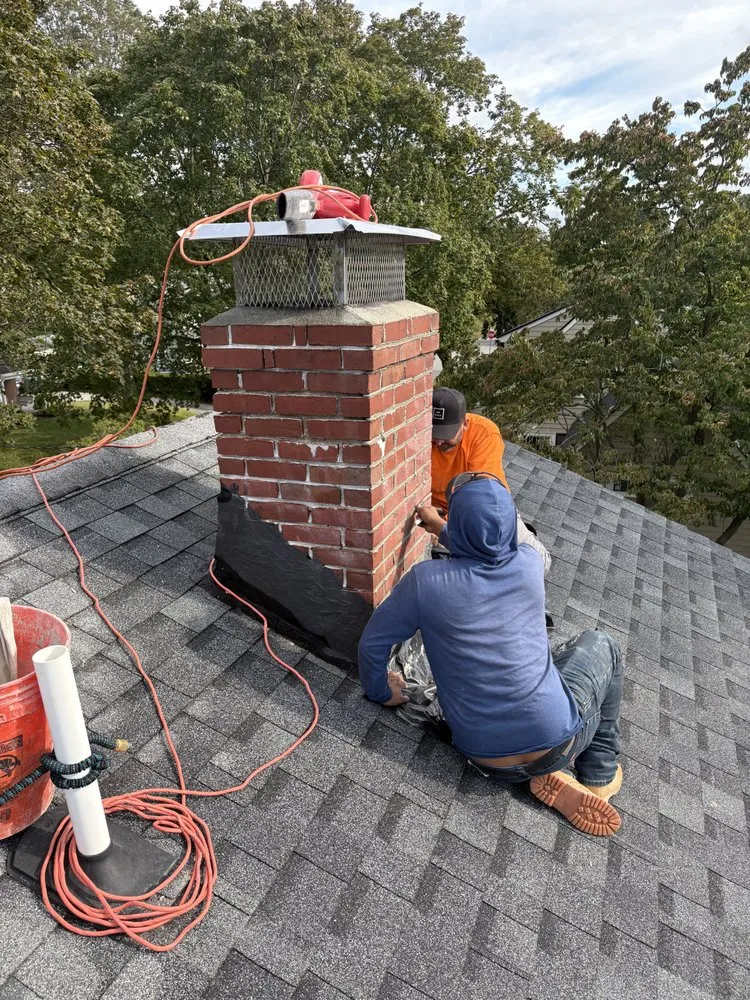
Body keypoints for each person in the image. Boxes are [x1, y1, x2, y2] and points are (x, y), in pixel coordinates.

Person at [358, 472, 624, 837]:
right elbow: (493, 544)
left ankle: (548, 774)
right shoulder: (529, 563)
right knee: (601, 644)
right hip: (556, 742)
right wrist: (446, 529)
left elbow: (371, 644)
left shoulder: (426, 582)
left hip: (483, 755)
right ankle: (598, 775)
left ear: (457, 523)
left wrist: (380, 690)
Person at [417, 387, 551, 576]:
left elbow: (480, 499)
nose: (438, 442)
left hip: (487, 512)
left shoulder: (484, 433)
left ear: (464, 423)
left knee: (539, 564)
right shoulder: (420, 436)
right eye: (434, 433)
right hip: (437, 513)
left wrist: (442, 528)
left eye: (446, 435)